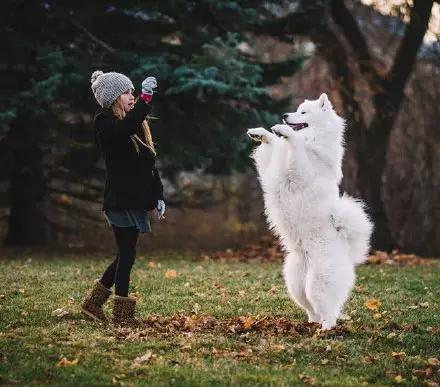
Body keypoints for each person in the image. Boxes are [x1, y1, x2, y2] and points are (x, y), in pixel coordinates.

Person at [81, 70, 165, 326]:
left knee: (124, 255)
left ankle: (93, 304)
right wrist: (146, 98)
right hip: (119, 201)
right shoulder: (105, 122)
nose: (132, 97)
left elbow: (149, 164)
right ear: (113, 97)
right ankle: (122, 316)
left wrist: (159, 196)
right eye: (127, 93)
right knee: (127, 254)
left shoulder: (134, 122)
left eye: (133, 92)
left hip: (134, 201)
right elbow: (125, 127)